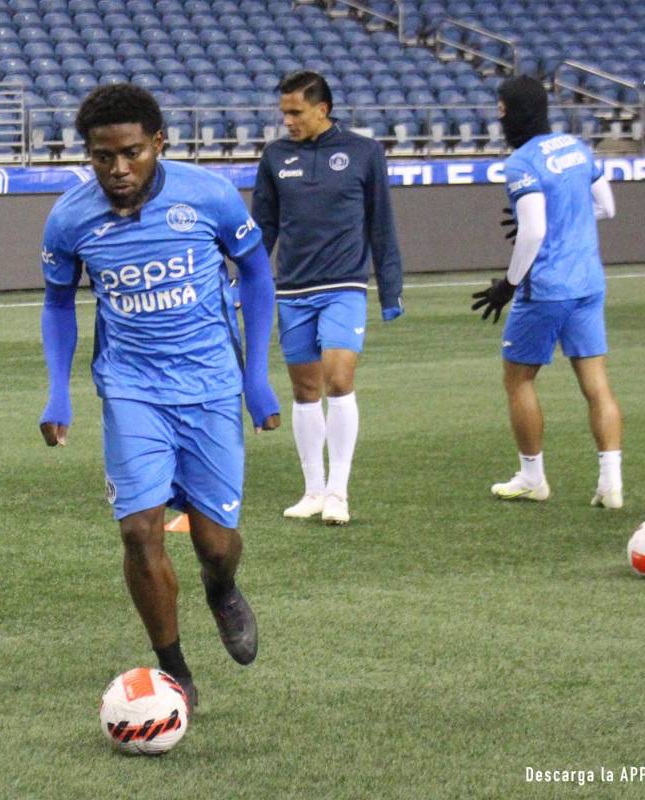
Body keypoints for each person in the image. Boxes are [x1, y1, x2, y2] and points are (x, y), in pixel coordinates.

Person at [38, 84, 281, 709]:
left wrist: (256, 377)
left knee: (215, 544)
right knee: (138, 530)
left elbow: (256, 274)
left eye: (132, 153)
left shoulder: (209, 196)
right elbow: (58, 303)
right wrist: (58, 392)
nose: (118, 169)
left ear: (159, 143)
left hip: (211, 386)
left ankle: (221, 588)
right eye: (103, 157)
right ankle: (174, 671)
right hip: (131, 390)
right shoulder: (69, 219)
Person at [251, 70, 404, 526]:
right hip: (293, 289)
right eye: (284, 113)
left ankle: (338, 492)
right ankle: (313, 490)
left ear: (323, 109)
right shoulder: (275, 157)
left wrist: (390, 287)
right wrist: (247, 281)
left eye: (296, 112)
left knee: (338, 380)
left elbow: (381, 223)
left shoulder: (364, 153)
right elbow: (263, 227)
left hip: (344, 286)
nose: (288, 121)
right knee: (304, 390)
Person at [470, 75, 624, 508]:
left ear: (514, 112)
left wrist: (507, 286)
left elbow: (534, 231)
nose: (499, 119)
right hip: (588, 282)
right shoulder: (577, 147)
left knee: (518, 380)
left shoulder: (522, 163)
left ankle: (532, 477)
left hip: (547, 288)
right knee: (596, 384)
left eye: (501, 111)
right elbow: (607, 207)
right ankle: (611, 484)